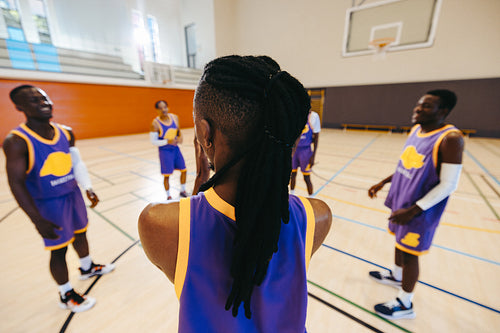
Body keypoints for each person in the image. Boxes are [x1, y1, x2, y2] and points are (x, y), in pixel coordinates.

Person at [138, 55, 332, 332]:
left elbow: (193, 219)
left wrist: (200, 177)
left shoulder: (159, 224)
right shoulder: (318, 217)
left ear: (204, 135)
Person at [3, 85, 115, 313]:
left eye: (44, 98)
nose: (43, 102)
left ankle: (86, 267)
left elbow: (76, 163)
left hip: (72, 194)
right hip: (48, 203)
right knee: (59, 249)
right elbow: (16, 183)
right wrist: (36, 219)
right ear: (19, 107)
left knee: (81, 233)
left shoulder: (66, 132)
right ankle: (65, 293)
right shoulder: (16, 141)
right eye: (34, 100)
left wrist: (88, 187)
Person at [368, 89, 464, 320]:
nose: (417, 109)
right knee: (399, 243)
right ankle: (396, 275)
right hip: (403, 202)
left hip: (419, 210)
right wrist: (383, 182)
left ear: (443, 111)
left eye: (426, 106)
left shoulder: (450, 139)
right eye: (418, 105)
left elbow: (449, 184)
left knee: (410, 254)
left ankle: (405, 303)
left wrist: (413, 210)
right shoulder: (416, 130)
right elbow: (408, 164)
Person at [149, 100, 188, 199]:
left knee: (184, 170)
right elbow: (153, 141)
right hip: (165, 152)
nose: (163, 110)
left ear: (168, 108)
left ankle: (183, 190)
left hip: (175, 149)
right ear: (157, 110)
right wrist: (167, 141)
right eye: (160, 108)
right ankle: (168, 196)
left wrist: (180, 138)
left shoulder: (174, 117)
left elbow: (178, 131)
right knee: (167, 175)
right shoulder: (155, 124)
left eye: (165, 107)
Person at [290, 109, 321, 196]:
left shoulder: (314, 116)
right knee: (292, 175)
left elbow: (316, 138)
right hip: (295, 150)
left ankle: (312, 198)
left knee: (306, 178)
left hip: (306, 151)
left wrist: (313, 157)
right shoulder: (295, 115)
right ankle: (291, 196)